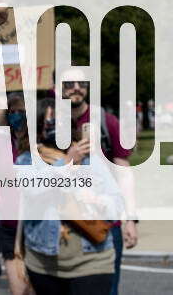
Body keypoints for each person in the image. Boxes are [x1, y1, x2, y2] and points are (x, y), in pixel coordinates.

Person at [20, 98, 116, 294]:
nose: (56, 127)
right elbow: (33, 188)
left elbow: (115, 201)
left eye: (61, 121)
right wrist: (68, 164)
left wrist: (100, 202)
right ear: (38, 127)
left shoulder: (89, 157)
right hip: (43, 262)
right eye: (49, 121)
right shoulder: (26, 160)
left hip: (92, 260)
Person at [61, 79, 137, 294]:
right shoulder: (49, 123)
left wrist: (130, 219)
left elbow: (124, 171)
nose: (76, 88)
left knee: (107, 290)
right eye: (69, 83)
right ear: (58, 87)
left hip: (105, 223)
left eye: (82, 83)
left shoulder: (106, 121)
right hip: (62, 227)